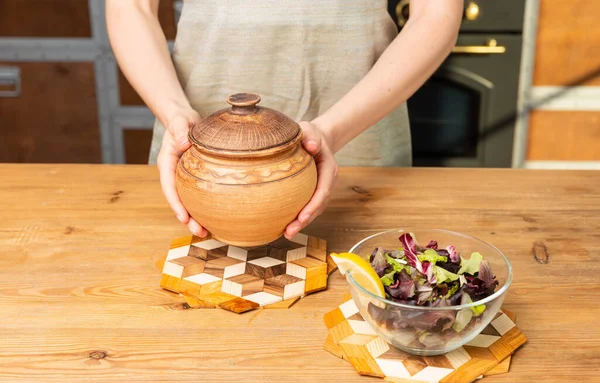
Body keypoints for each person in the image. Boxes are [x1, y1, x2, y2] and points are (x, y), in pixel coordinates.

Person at [106, 0, 462, 239]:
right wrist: (174, 114)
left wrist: (332, 131)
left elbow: (436, 12)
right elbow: (131, 7)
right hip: (199, 161)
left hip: (363, 143)